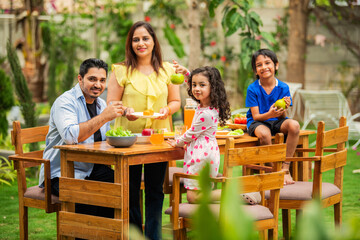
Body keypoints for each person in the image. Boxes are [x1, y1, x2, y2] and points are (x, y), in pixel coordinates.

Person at [106, 21, 187, 240]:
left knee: (155, 190)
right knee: (131, 191)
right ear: (130, 43)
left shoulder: (168, 70)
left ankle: (154, 236)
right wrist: (125, 111)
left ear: (153, 41)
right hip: (128, 141)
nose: (141, 43)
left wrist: (166, 110)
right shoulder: (121, 70)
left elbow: (175, 101)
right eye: (136, 39)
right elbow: (112, 102)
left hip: (158, 139)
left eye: (145, 38)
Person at [38, 58, 124, 218]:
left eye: (102, 80)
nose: (98, 85)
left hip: (93, 168)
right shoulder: (65, 102)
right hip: (61, 173)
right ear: (80, 79)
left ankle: (110, 234)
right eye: (92, 79)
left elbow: (104, 140)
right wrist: (104, 117)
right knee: (88, 198)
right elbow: (71, 136)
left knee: (123, 189)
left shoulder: (101, 104)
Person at [167, 66, 231, 203]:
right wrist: (187, 74)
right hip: (205, 152)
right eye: (194, 85)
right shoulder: (206, 105)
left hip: (201, 155)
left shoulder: (206, 114)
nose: (196, 88)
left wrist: (177, 142)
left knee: (193, 197)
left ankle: (231, 195)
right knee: (201, 192)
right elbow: (194, 86)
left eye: (202, 85)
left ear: (212, 87)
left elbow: (191, 134)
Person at [245, 48, 300, 185]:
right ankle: (274, 170)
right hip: (258, 122)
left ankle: (285, 169)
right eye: (259, 65)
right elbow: (256, 116)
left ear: (276, 65)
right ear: (255, 70)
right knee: (264, 134)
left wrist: (283, 109)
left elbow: (283, 117)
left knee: (294, 125)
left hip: (276, 120)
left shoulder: (283, 87)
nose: (264, 67)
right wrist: (270, 114)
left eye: (267, 63)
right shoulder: (252, 89)